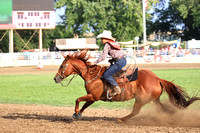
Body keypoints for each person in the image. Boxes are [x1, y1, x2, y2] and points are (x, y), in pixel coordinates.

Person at [91, 30, 126, 96]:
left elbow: (103, 57)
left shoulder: (107, 45)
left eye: (102, 38)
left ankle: (116, 88)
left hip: (118, 62)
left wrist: (94, 63)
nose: (101, 40)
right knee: (108, 72)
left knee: (106, 75)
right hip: (122, 60)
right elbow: (118, 54)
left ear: (106, 38)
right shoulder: (114, 43)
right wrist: (113, 59)